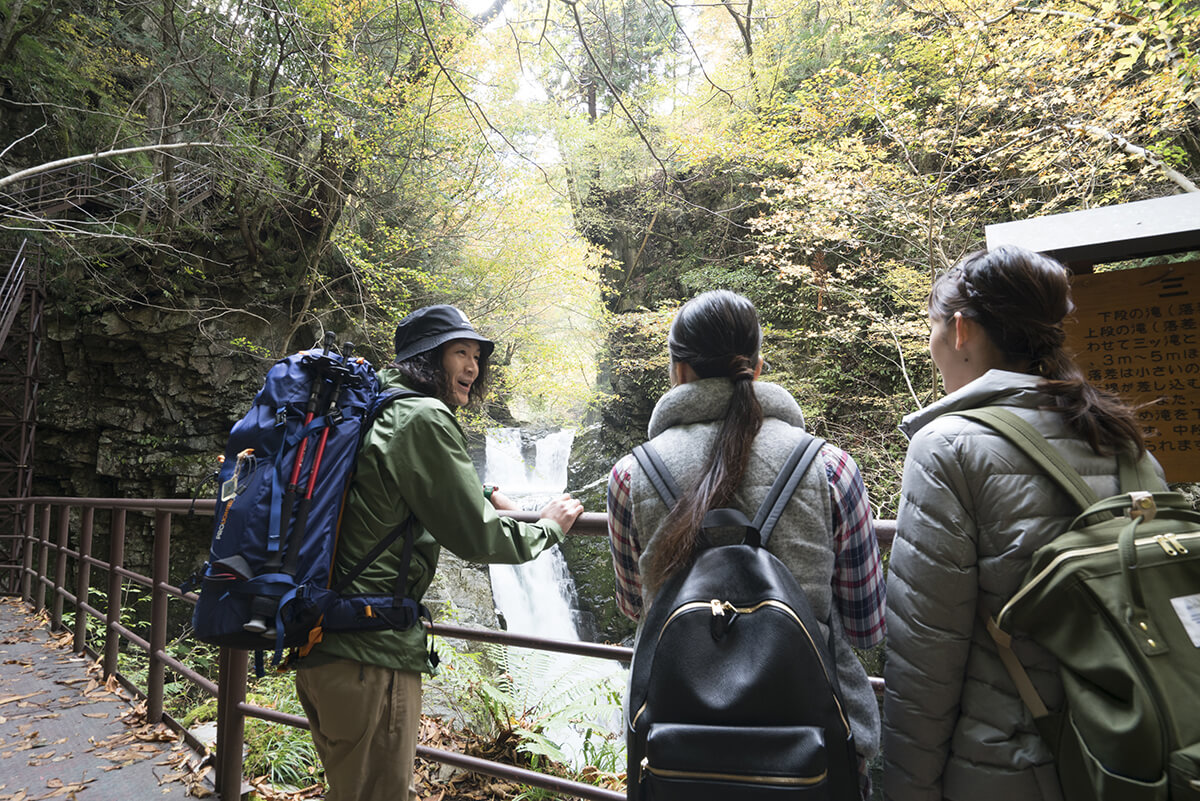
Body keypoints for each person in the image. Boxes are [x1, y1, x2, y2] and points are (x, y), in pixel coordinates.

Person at [881, 245, 1167, 801]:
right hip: (1136, 752)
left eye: (933, 327)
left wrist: (907, 789)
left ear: (960, 330)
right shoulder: (1121, 439)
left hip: (1012, 763)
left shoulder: (948, 448)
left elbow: (926, 651)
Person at [294, 304, 584, 801]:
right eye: (459, 353)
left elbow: (385, 483)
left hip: (324, 646)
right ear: (427, 360)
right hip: (371, 656)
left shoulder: (372, 406)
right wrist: (548, 529)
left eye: (476, 355)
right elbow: (477, 537)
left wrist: (482, 487)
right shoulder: (422, 417)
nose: (473, 366)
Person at [607, 289, 886, 799]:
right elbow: (867, 623)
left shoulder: (630, 476)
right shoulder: (830, 467)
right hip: (812, 744)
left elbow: (635, 606)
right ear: (758, 367)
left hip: (679, 747)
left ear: (679, 370)